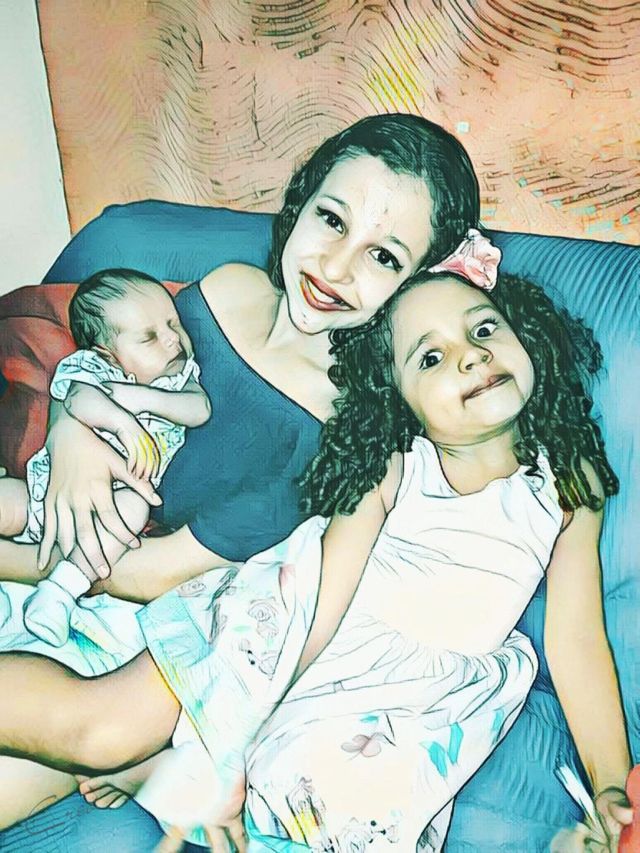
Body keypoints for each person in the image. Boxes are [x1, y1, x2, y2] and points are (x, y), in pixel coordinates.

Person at [0, 264, 633, 852]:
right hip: (293, 633)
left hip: (407, 699)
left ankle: (160, 775)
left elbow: (576, 639)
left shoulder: (569, 479)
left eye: (484, 329)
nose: (472, 356)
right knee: (107, 731)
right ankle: (167, 762)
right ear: (401, 399)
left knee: (320, 824)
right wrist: (231, 740)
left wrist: (610, 781)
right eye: (431, 357)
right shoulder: (396, 466)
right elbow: (320, 599)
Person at [0, 114, 481, 830]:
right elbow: (116, 363)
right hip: (56, 521)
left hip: (123, 612)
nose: (336, 268)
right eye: (332, 220)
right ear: (300, 202)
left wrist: (22, 555)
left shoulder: (338, 429)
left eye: (383, 257)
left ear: (416, 283)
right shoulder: (227, 288)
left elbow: (156, 574)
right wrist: (71, 427)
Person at [0, 269, 210, 649]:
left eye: (172, 324)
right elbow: (77, 399)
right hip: (46, 495)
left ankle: (59, 591)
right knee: (7, 499)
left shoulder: (181, 380)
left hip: (110, 509)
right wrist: (122, 422)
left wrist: (144, 399)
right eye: (148, 337)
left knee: (136, 507)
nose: (171, 339)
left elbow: (200, 410)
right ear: (106, 353)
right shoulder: (94, 368)